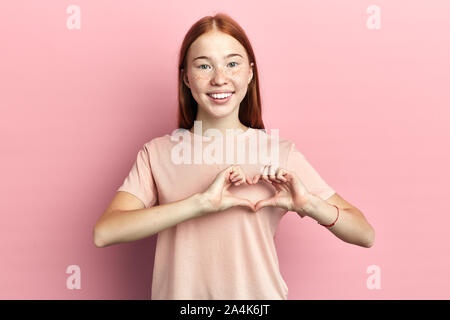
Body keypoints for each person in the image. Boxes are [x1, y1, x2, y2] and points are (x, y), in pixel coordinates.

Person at [93, 13, 375, 300]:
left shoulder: (280, 152)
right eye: (204, 66)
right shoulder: (157, 153)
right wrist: (199, 204)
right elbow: (105, 232)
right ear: (186, 77)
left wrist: (310, 204)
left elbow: (364, 234)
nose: (220, 79)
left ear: (250, 73)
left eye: (232, 63)